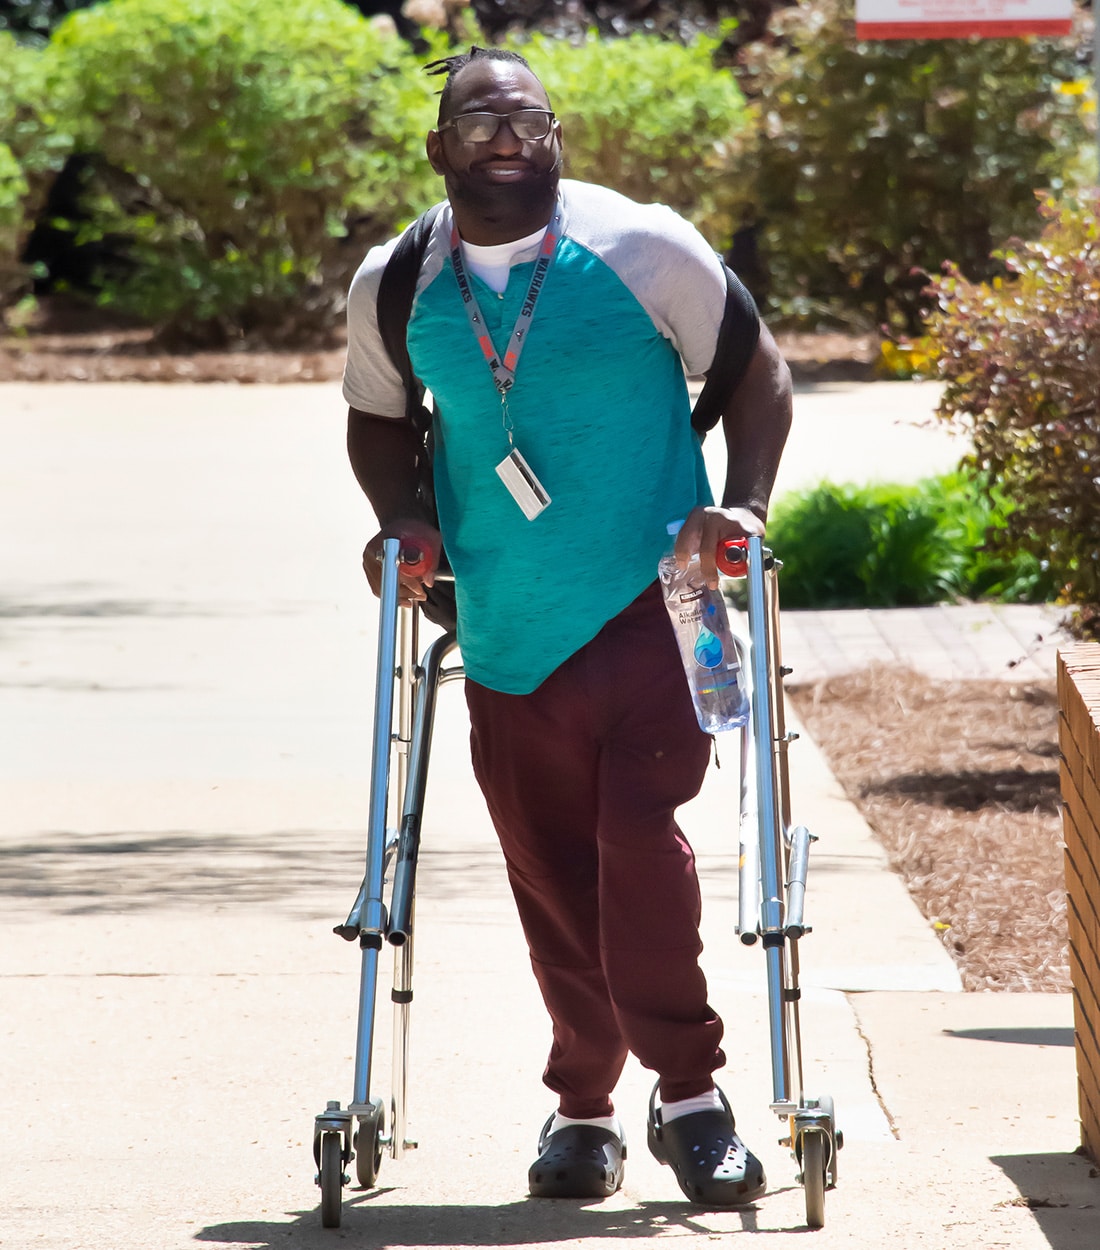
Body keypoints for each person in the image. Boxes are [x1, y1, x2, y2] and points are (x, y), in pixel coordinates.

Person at [342, 45, 793, 1206]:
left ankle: (690, 1097)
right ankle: (583, 1105)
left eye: (526, 116)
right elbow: (378, 420)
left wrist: (740, 502)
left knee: (636, 839)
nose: (504, 132)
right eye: (477, 118)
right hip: (502, 621)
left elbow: (755, 375)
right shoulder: (396, 282)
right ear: (438, 147)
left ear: (557, 139)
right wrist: (404, 520)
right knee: (549, 874)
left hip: (669, 600)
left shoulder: (641, 243)